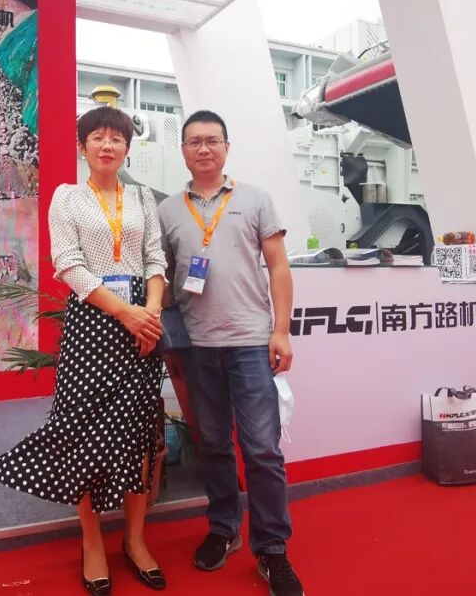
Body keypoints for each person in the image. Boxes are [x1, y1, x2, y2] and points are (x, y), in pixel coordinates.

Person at [0, 107, 168, 595]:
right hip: (93, 321)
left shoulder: (142, 197)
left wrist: (150, 315)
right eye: (98, 137)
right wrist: (126, 314)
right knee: (81, 431)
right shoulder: (67, 197)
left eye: (117, 138)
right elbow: (68, 265)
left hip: (142, 324)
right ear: (82, 145)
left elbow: (155, 259)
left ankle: (134, 539)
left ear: (128, 147)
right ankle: (92, 541)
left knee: (139, 433)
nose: (107, 145)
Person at [158, 110, 305, 596]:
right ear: (183, 151)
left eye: (212, 140)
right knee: (215, 445)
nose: (204, 149)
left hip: (250, 343)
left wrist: (281, 331)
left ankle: (272, 549)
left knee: (262, 450)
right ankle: (224, 528)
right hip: (198, 347)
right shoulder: (168, 211)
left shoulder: (255, 199)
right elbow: (164, 281)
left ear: (226, 147)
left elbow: (279, 267)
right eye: (194, 142)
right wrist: (167, 341)